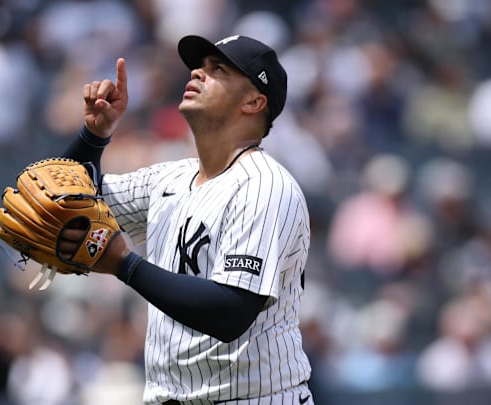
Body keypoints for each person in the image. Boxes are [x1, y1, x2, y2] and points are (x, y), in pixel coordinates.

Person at [57, 34, 314, 404]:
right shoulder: (169, 179)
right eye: (200, 65)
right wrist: (94, 136)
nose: (197, 72)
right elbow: (65, 201)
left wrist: (124, 265)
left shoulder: (266, 186)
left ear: (255, 101)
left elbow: (230, 311)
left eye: (218, 69)